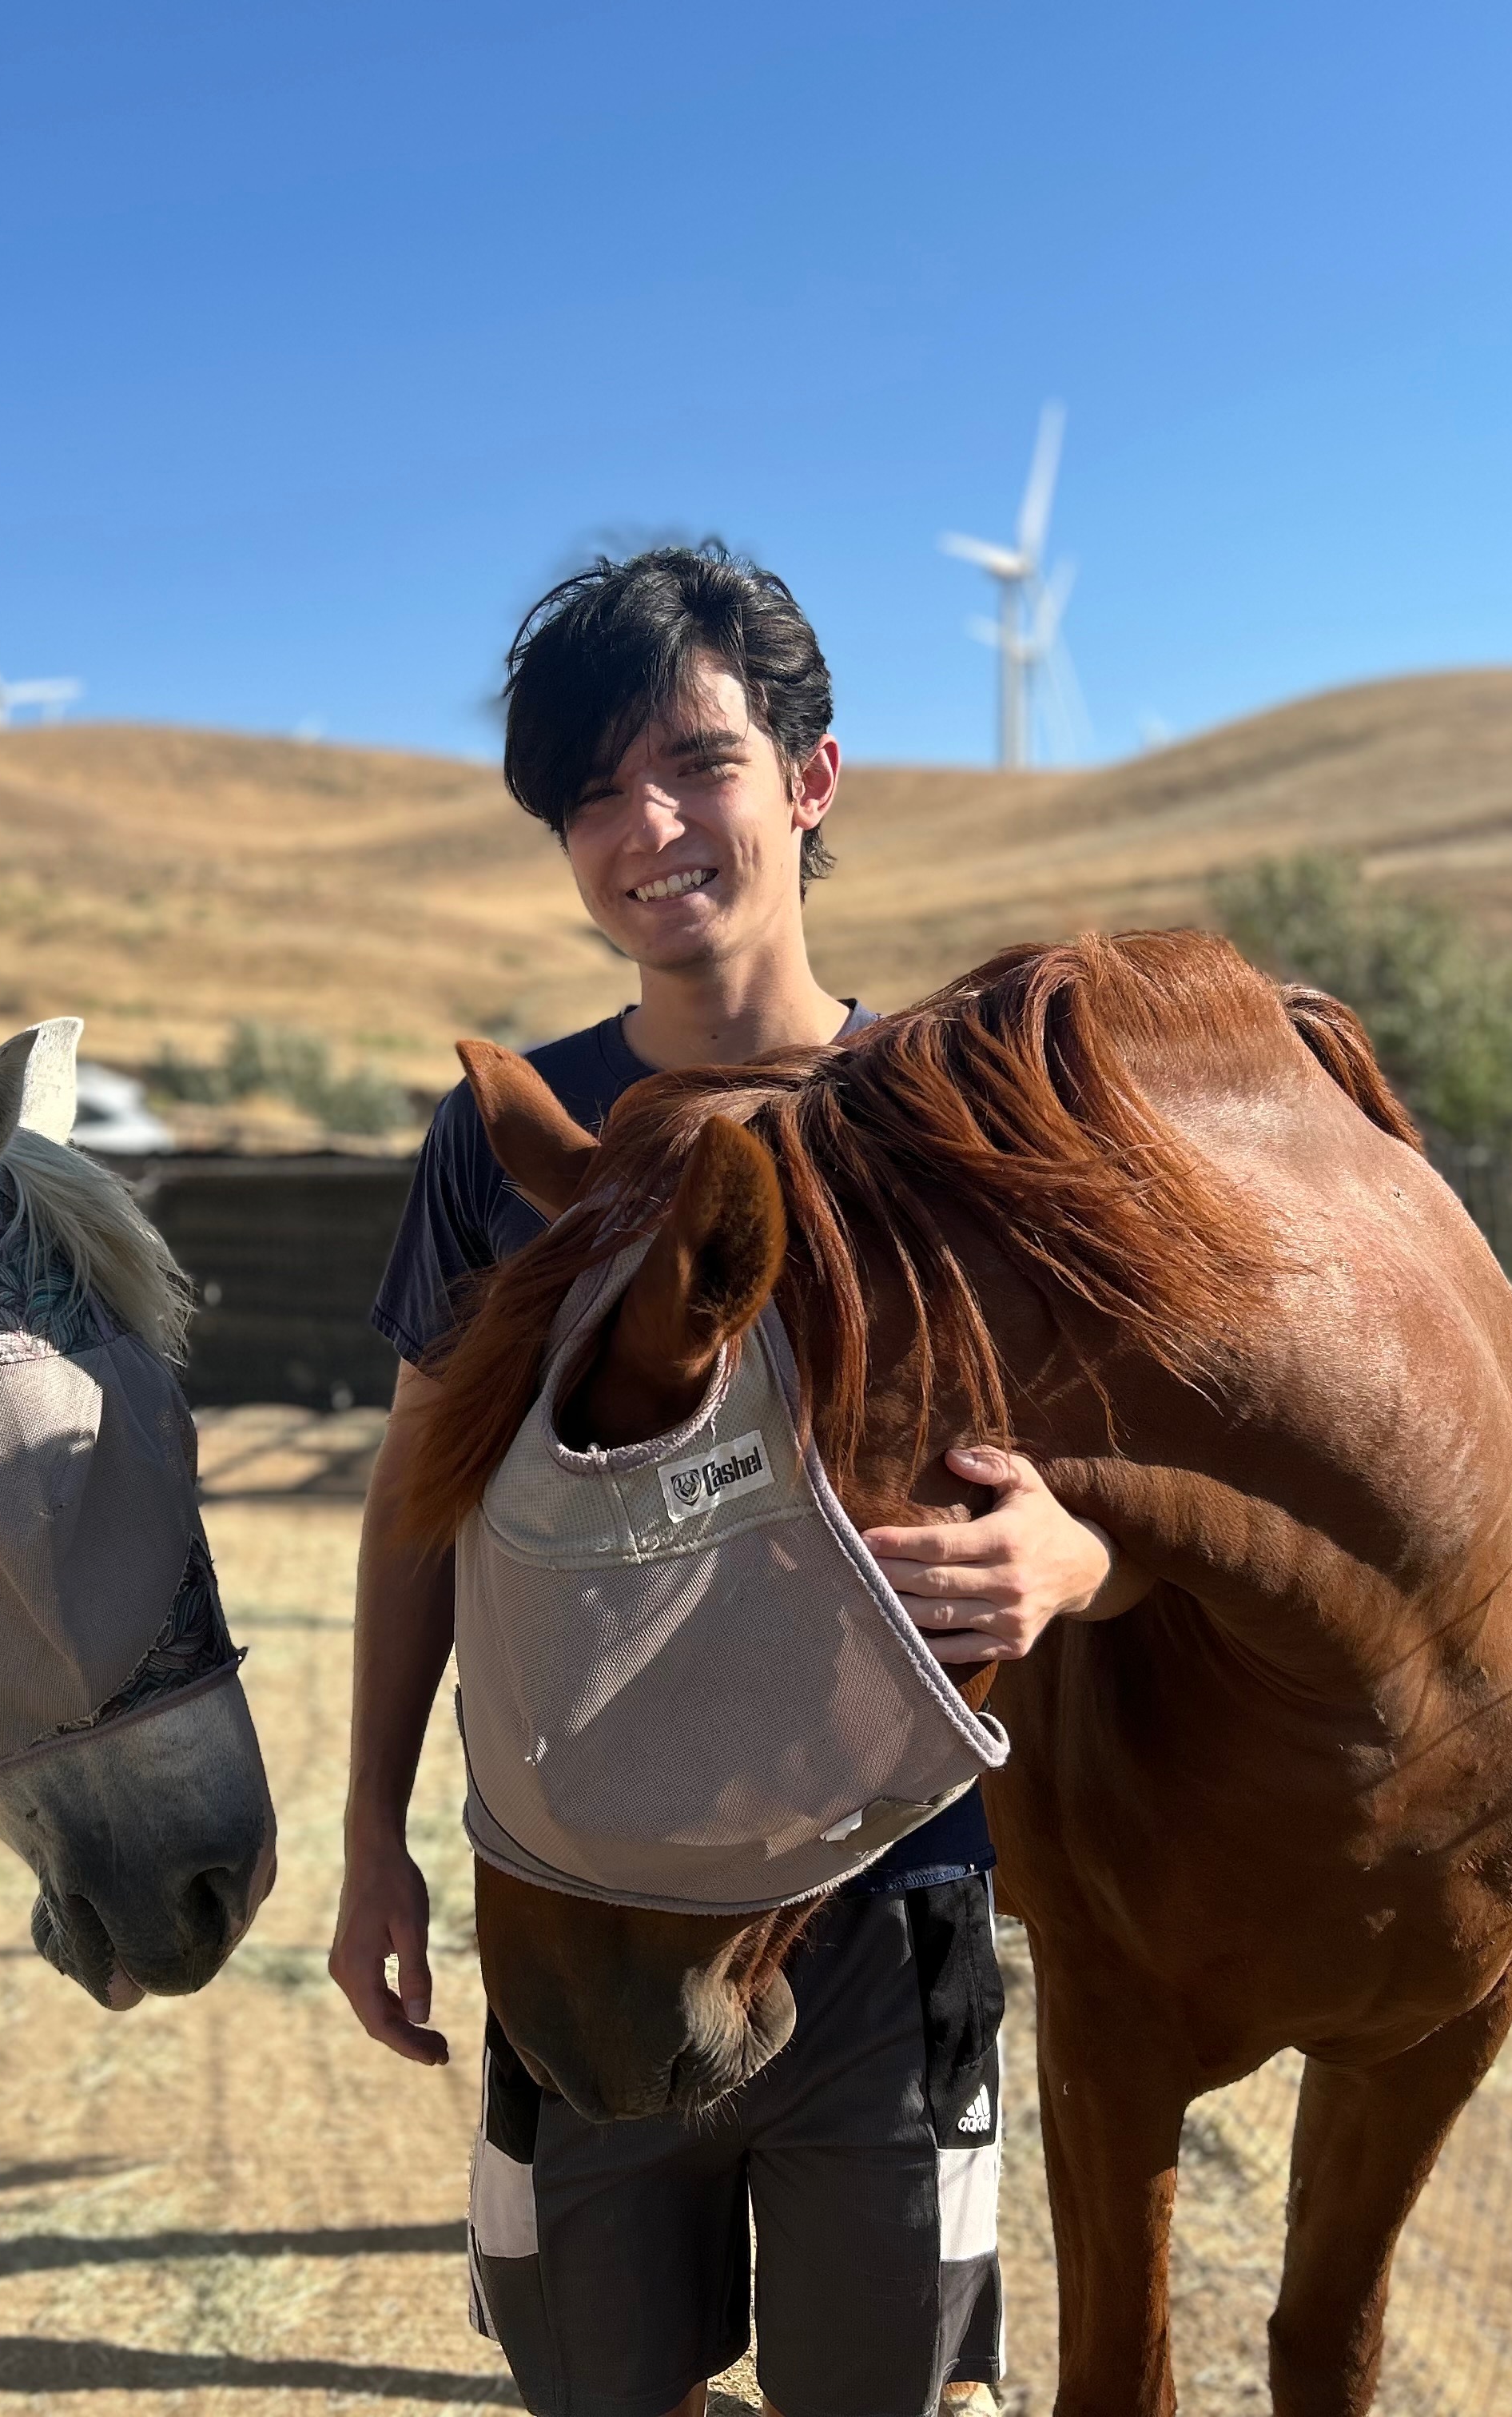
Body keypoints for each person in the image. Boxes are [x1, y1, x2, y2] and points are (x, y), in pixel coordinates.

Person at [332, 544, 1130, 2417]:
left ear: (810, 778)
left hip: (890, 1906)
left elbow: (1130, 1483)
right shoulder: (501, 1142)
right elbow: (417, 1507)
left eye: (696, 762)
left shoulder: (966, 1129)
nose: (648, 829)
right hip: (578, 1896)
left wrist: (1077, 1559)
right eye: (593, 793)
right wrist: (373, 1836)